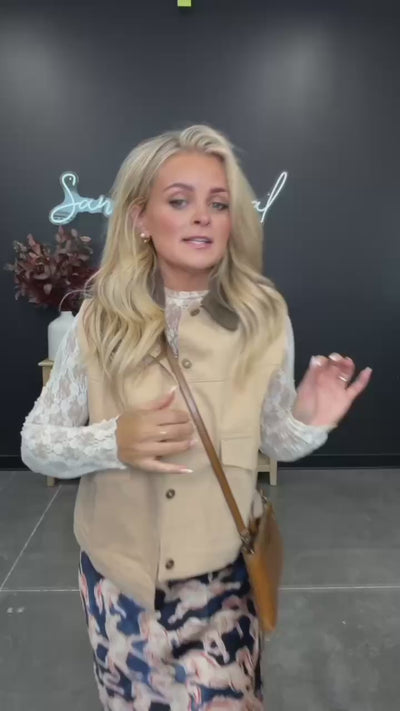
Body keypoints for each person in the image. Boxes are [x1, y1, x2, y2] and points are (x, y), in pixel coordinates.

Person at [21, 125, 371, 711]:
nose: (202, 216)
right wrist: (114, 441)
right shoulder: (98, 319)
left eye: (219, 204)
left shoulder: (264, 316)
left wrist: (312, 419)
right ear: (140, 217)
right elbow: (36, 444)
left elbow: (275, 440)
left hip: (223, 588)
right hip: (120, 590)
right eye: (179, 201)